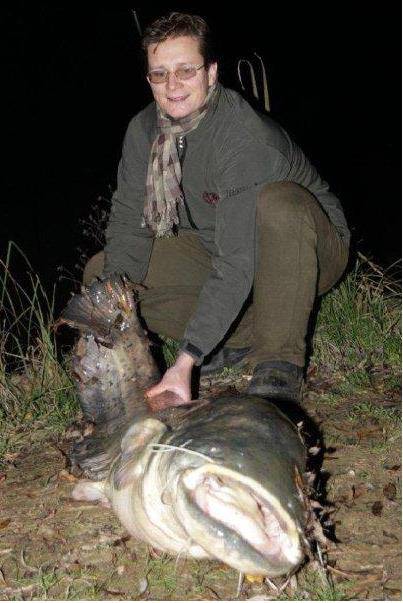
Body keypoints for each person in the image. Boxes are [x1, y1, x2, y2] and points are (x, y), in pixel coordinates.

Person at [83, 11, 350, 406]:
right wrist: (111, 319)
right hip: (212, 244)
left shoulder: (242, 137)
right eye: (160, 74)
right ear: (148, 79)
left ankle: (278, 361)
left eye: (185, 71)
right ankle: (235, 338)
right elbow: (128, 223)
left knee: (281, 204)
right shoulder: (143, 131)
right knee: (103, 277)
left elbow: (237, 260)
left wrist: (186, 360)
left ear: (210, 73)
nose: (173, 85)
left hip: (303, 248)